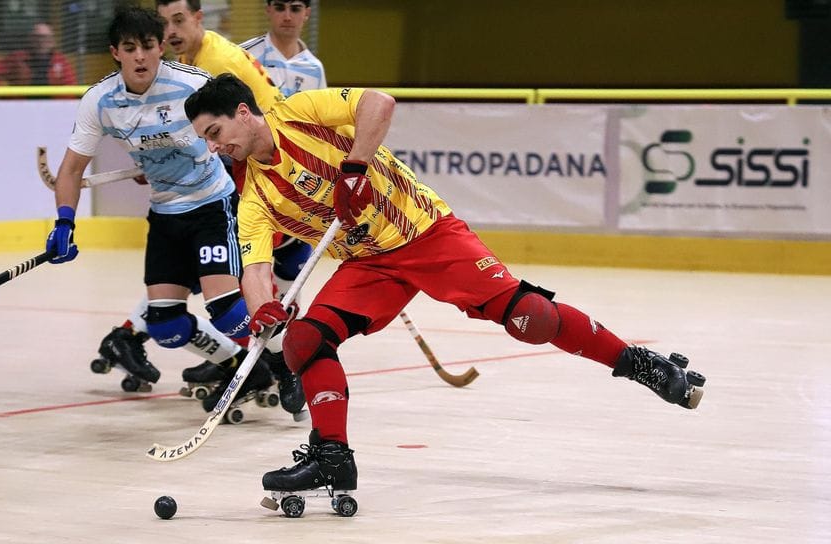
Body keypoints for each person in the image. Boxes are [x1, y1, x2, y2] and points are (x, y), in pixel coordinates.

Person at [183, 74, 709, 500]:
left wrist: (354, 169)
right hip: (370, 264)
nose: (212, 147)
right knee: (304, 340)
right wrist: (267, 311)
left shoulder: (299, 113)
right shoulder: (253, 195)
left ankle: (642, 364)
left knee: (532, 318)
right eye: (205, 140)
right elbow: (254, 270)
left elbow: (379, 103)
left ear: (244, 113)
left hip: (427, 231)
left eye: (213, 132)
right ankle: (332, 459)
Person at [43, 7, 284, 414]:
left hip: (212, 202)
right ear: (115, 52)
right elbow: (70, 169)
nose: (140, 57)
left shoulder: (193, 86)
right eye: (130, 48)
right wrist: (64, 222)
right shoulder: (100, 101)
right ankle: (242, 364)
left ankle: (287, 363)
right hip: (165, 212)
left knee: (226, 309)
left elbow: (242, 130)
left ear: (160, 49)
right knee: (166, 326)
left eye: (149, 47)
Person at [240, 0, 326, 98]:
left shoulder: (315, 69)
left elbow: (320, 112)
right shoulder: (244, 55)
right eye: (279, 8)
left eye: (295, 9)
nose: (287, 17)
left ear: (307, 13)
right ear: (268, 11)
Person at [0, 22, 78, 86]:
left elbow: (71, 85)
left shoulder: (60, 61)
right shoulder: (17, 59)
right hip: (21, 109)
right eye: (38, 37)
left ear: (53, 41)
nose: (41, 41)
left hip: (51, 110)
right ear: (31, 39)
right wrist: (5, 94)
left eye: (46, 37)